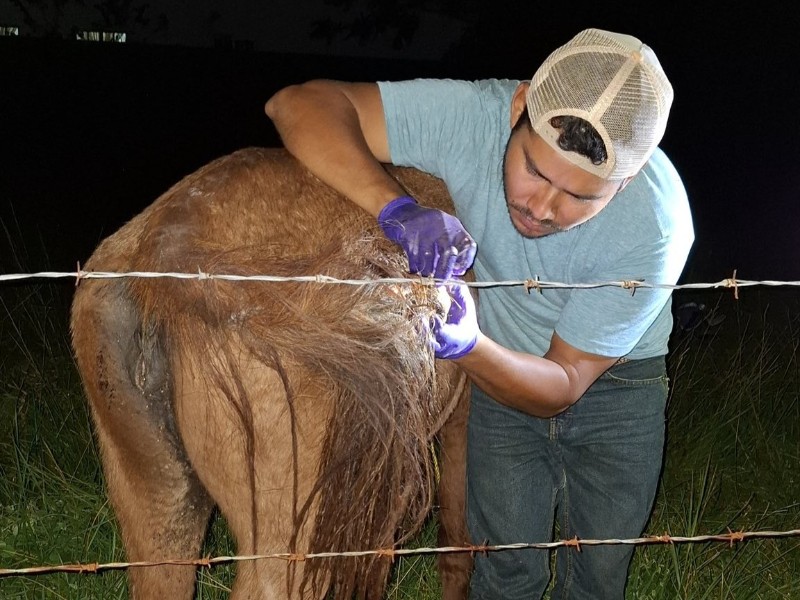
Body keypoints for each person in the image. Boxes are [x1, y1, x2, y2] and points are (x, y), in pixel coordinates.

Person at [266, 28, 694, 599]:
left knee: (597, 574)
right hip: (503, 376)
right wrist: (396, 206)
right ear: (519, 107)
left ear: (628, 178)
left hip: (618, 385)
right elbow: (298, 104)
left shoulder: (655, 227)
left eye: (580, 197)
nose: (541, 208)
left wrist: (467, 344)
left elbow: (564, 380)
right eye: (535, 170)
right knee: (505, 567)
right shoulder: (475, 117)